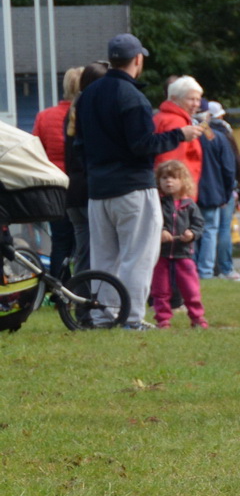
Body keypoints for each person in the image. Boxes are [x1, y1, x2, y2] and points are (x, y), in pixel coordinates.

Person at [75, 35, 207, 328]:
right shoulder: (132, 97)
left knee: (104, 258)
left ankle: (102, 314)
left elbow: (79, 144)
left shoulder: (88, 95)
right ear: (138, 60)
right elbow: (142, 144)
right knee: (138, 256)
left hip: (98, 189)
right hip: (132, 187)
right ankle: (131, 318)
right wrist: (180, 135)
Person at [32, 65, 83, 279]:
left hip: (54, 187)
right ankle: (84, 286)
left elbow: (35, 152)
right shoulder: (84, 115)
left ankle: (59, 288)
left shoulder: (45, 117)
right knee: (84, 240)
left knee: (60, 240)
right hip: (81, 185)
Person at [60, 61, 109, 275]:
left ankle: (79, 297)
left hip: (73, 190)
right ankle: (95, 295)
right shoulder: (94, 113)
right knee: (101, 250)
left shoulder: (72, 112)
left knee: (83, 250)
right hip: (91, 190)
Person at [151, 159, 207, 328]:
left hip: (184, 254)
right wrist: (161, 231)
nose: (168, 181)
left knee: (191, 289)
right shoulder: (157, 204)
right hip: (162, 255)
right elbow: (152, 222)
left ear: (183, 181)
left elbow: (199, 225)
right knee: (160, 290)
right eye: (164, 178)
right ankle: (162, 320)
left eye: (173, 177)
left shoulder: (189, 205)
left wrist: (192, 234)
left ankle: (197, 318)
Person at [195, 101, 240, 280]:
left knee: (191, 231)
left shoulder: (187, 135)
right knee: (212, 230)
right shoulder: (219, 137)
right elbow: (229, 168)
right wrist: (228, 192)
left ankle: (191, 269)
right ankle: (207, 271)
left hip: (190, 192)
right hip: (214, 192)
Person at [153, 76, 206, 189]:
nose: (196, 104)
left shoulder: (161, 117)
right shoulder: (177, 122)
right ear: (174, 98)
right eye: (191, 99)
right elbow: (170, 165)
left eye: (198, 99)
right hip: (177, 194)